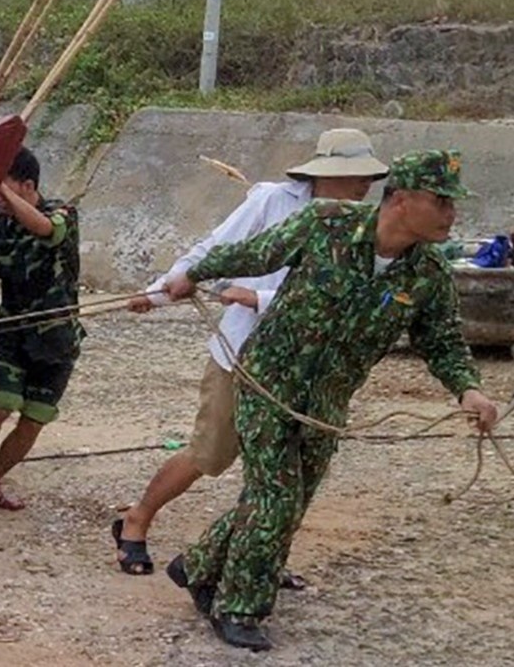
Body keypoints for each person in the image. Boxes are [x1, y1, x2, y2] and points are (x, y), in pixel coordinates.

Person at [162, 149, 501, 651]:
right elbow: (256, 255)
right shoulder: (327, 223)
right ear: (402, 200)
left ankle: (196, 565)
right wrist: (194, 272)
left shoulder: (428, 272)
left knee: (288, 501)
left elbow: (442, 340)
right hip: (268, 381)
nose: (452, 214)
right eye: (441, 201)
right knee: (274, 498)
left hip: (326, 400)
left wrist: (468, 388)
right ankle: (239, 608)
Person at [113, 128, 388, 576]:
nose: (364, 185)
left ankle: (260, 556)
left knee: (285, 469)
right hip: (243, 354)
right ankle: (136, 518)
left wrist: (258, 297)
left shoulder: (366, 228)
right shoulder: (272, 203)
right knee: (211, 451)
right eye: (356, 175)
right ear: (325, 175)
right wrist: (159, 292)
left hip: (307, 365)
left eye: (369, 177)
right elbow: (216, 249)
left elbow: (344, 295)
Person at [0, 147, 83, 510]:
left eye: (4, 188)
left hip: (56, 336)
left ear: (27, 185)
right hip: (12, 330)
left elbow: (46, 231)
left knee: (36, 415)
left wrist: (2, 194)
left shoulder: (62, 212)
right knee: (0, 402)